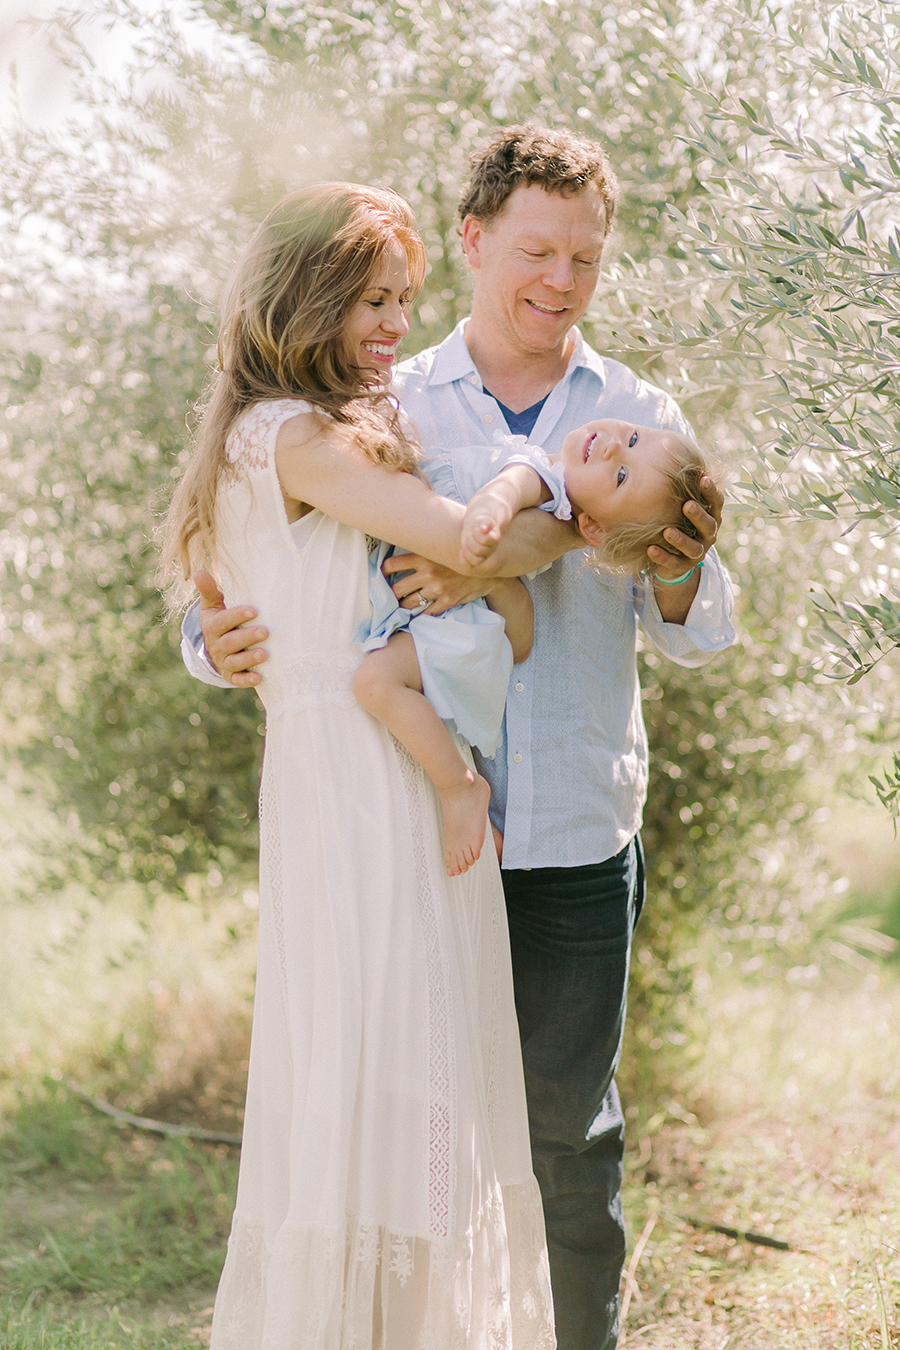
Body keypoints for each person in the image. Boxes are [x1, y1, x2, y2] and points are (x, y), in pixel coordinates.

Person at [184, 127, 736, 1350]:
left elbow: (700, 631)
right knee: (415, 1141)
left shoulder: (639, 414)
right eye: (538, 250)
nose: (561, 280)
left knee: (566, 1143)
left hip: (575, 830)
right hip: (419, 836)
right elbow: (268, 579)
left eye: (586, 258)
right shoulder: (381, 394)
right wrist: (202, 645)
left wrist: (681, 575)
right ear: (477, 241)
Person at [162, 181, 556, 1349]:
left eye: (404, 301)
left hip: (353, 773)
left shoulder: (277, 435)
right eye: (373, 301)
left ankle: (404, 1318)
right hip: (365, 789)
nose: (394, 325)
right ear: (309, 297)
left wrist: (497, 541)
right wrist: (534, 479)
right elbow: (476, 541)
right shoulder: (289, 435)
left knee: (391, 1065)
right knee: (394, 1055)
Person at [353, 419, 711, 877]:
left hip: (446, 624)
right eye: (634, 438)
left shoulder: (541, 485)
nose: (613, 447)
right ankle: (480, 818)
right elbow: (519, 639)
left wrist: (481, 523)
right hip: (432, 613)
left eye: (621, 476)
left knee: (376, 682)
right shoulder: (544, 478)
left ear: (592, 530)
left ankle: (460, 789)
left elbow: (508, 491)